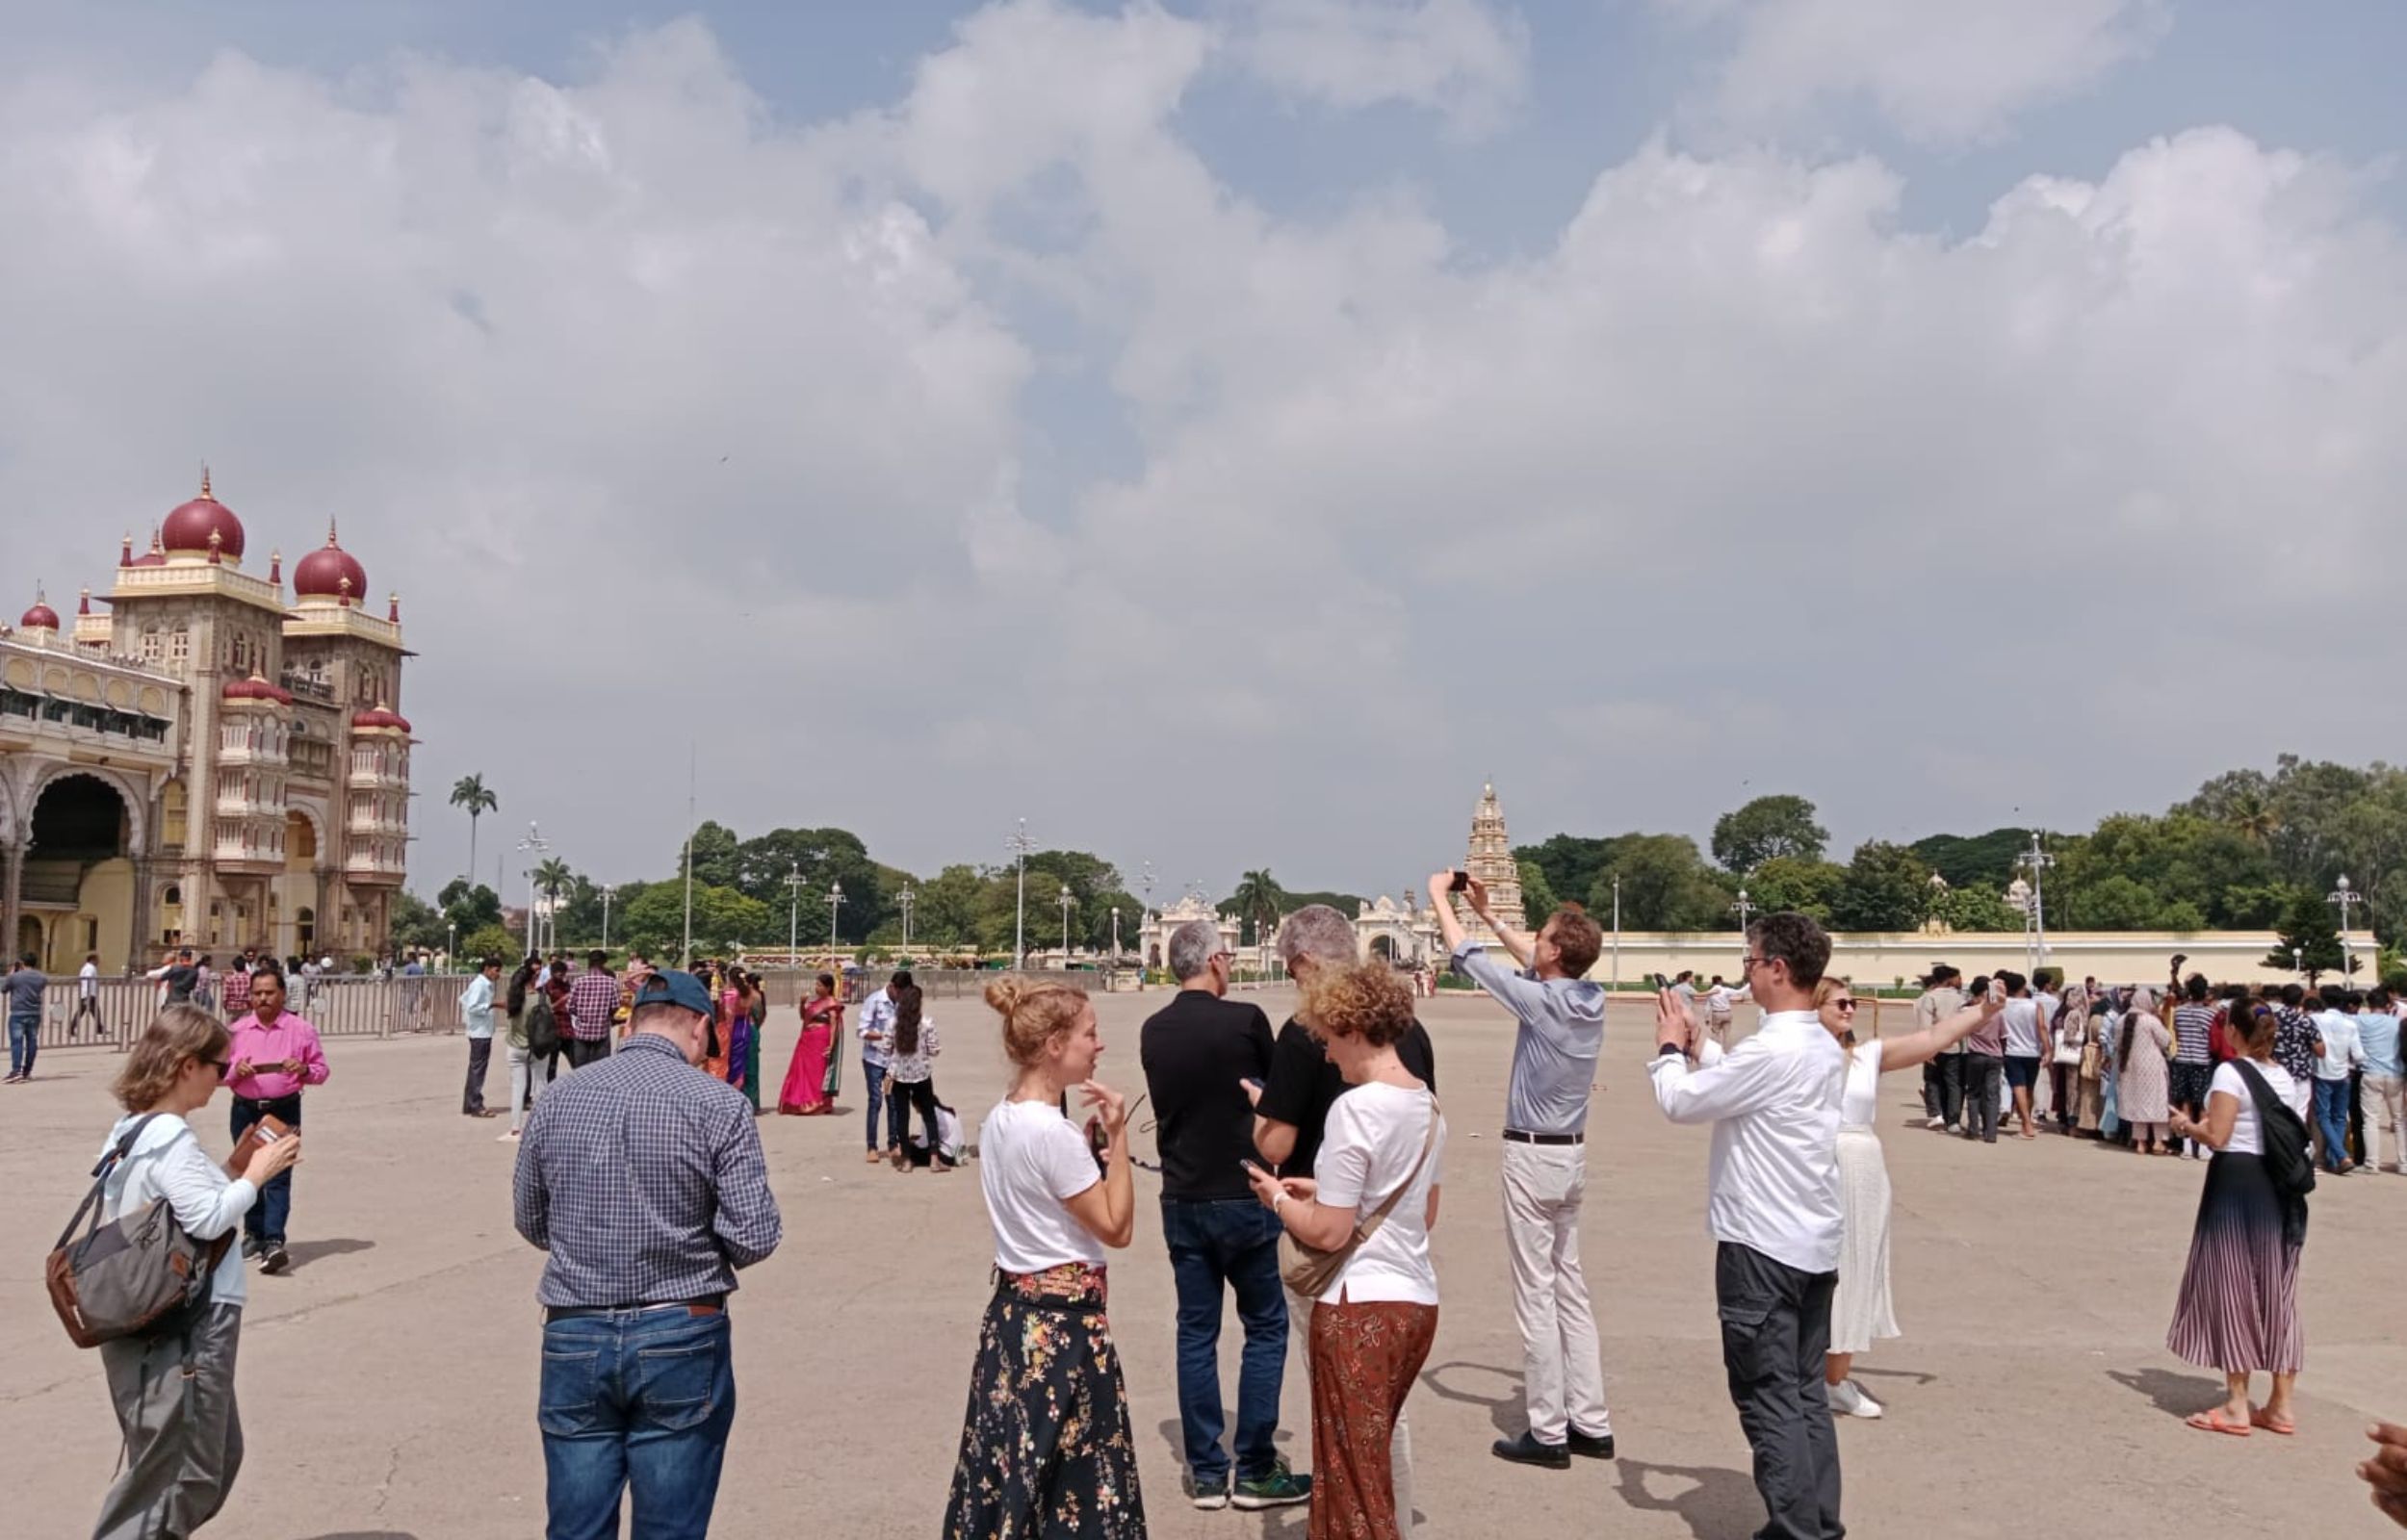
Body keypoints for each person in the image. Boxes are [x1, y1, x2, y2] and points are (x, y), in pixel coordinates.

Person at [513, 968, 783, 1539]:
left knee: (576, 1527)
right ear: (701, 1027)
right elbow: (754, 1234)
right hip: (681, 1327)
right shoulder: (718, 1104)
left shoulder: (560, 1096)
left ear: (631, 1024)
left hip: (576, 1327)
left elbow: (531, 1219)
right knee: (670, 1527)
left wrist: (592, 1243)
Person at [1647, 912, 1847, 1540]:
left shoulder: (1773, 1048)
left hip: (1761, 1244)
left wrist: (1668, 1050)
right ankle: (1818, 1522)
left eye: (1752, 962)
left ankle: (1796, 1530)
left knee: (1766, 1394)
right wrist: (1699, 1045)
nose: (1747, 972)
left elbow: (1681, 1102)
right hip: (1811, 1241)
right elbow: (1747, 1081)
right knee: (1804, 1393)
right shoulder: (1817, 1042)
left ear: (1778, 968)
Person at [89, 1005, 303, 1538]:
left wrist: (235, 1167)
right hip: (186, 1318)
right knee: (182, 1470)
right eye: (218, 1066)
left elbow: (179, 1207)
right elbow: (207, 1220)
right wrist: (257, 1175)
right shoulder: (169, 1136)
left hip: (155, 1311)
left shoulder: (133, 1130)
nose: (224, 1078)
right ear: (187, 1066)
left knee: (209, 1456)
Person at [1247, 962, 1443, 1540]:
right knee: (1364, 1464)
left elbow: (1329, 1234)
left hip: (1360, 1306)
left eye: (1330, 1039)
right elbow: (1420, 1210)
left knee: (1353, 1483)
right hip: (1415, 1300)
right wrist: (1322, 1192)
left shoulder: (1354, 1108)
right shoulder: (1428, 1106)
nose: (1329, 1056)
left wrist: (1277, 1200)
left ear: (1354, 1030)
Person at [944, 977, 1144, 1539]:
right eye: (1089, 1033)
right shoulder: (1052, 1134)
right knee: (1075, 1486)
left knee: (1010, 1469)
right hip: (1062, 1330)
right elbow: (1117, 1227)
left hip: (1014, 1317)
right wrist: (1118, 1139)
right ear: (1055, 1044)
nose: (1098, 1044)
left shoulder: (1001, 1117)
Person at [1427, 871, 1614, 1470]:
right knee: (1570, 1288)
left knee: (1536, 1293)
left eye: (1543, 936)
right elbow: (1530, 962)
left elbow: (1467, 958)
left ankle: (1548, 1429)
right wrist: (1490, 914)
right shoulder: (1589, 999)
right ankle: (1591, 1420)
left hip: (1532, 1156)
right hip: (1570, 1154)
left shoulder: (1541, 1001)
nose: (1535, 942)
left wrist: (1440, 898)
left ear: (1554, 953)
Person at [1140, 919, 1307, 1511]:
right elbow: (1278, 1095)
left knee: (1196, 1331)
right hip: (1246, 1190)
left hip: (1183, 1195)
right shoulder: (1246, 1020)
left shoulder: (1154, 1029)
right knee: (1264, 1326)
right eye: (1228, 958)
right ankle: (1256, 1464)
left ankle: (1208, 1470)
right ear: (1214, 961)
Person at [1806, 975, 2003, 1419]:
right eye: (1839, 1003)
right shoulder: (1789, 1056)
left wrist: (1982, 1012)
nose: (1849, 1009)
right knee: (1808, 1271)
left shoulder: (1866, 1056)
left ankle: (1833, 1379)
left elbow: (1932, 1039)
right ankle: (1803, 1374)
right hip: (1813, 1165)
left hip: (1860, 1165)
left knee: (1855, 1270)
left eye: (1852, 1003)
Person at [2164, 1004, 2309, 1436]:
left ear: (2233, 1031)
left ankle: (2236, 1404)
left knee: (2232, 1285)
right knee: (2277, 1290)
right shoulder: (2282, 1075)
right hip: (2277, 1185)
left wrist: (2186, 1126)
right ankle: (2281, 1405)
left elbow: (2218, 1135)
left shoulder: (2230, 1073)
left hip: (2237, 1182)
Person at [223, 964, 330, 1274]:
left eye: (269, 992)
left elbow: (321, 1071)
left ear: (282, 994)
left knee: (279, 1175)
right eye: (257, 993)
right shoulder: (236, 1032)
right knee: (248, 1173)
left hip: (283, 1110)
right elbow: (218, 1075)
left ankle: (274, 1241)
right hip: (246, 1110)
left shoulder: (302, 1030)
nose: (263, 999)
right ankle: (253, 1234)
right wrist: (235, 1072)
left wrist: (303, 1070)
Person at [885, 984, 949, 1170]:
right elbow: (934, 1049)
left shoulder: (893, 1023)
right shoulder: (927, 1022)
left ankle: (906, 1160)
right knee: (929, 1115)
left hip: (899, 1075)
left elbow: (885, 1048)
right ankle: (934, 1159)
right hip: (922, 1073)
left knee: (902, 1117)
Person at [2310, 986, 2364, 1173]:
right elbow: (2359, 1055)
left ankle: (2341, 1156)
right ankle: (2335, 1160)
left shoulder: (2315, 1019)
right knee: (2340, 1117)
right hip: (2343, 1074)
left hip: (2322, 1072)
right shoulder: (2350, 1024)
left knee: (2323, 1116)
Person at [501, 958, 554, 1142]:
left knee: (517, 1088)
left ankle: (515, 1129)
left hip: (515, 1046)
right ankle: (541, 1128)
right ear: (533, 979)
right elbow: (548, 1021)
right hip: (538, 1046)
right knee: (540, 1085)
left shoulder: (513, 999)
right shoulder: (541, 999)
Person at [2117, 985, 2174, 1155]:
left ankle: (2140, 1142)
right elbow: (2166, 1040)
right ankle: (2158, 1142)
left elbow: (2117, 1044)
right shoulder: (2150, 1020)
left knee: (2138, 1103)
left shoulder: (2121, 1021)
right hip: (2152, 1067)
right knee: (2158, 1103)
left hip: (2130, 1067)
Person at [858, 970, 907, 1164]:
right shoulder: (875, 1001)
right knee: (875, 1101)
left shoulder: (902, 1004)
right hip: (874, 1060)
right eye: (900, 992)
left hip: (893, 1061)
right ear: (892, 987)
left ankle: (893, 1144)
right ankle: (872, 1146)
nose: (901, 997)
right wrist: (885, 1035)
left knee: (893, 1101)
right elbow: (862, 1031)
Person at [2169, 975, 2221, 1158]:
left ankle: (2187, 1145)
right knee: (2203, 1104)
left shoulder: (2179, 1012)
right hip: (2202, 1061)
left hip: (2182, 1060)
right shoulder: (2211, 1014)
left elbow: (2177, 1033)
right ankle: (2203, 1146)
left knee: (2186, 1102)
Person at [1911, 965, 1966, 1131]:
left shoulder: (1930, 997)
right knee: (1954, 1083)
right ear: (1949, 979)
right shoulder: (1960, 998)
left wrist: (1924, 1047)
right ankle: (1953, 1120)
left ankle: (1937, 1114)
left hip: (1934, 1044)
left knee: (1933, 1081)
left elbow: (1925, 1025)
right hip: (1954, 1045)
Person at [779, 973, 841, 1116]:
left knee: (817, 1070)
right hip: (807, 1040)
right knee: (803, 1071)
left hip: (821, 1040)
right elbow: (803, 1017)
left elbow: (834, 1025)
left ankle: (819, 1102)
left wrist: (831, 1045)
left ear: (828, 987)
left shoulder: (831, 1003)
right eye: (816, 985)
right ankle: (803, 1101)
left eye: (819, 985)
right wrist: (802, 1003)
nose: (816, 988)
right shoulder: (814, 1003)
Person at [2357, 988, 2402, 1173]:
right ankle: (2404, 1163)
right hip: (2395, 1073)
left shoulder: (2360, 1021)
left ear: (2369, 1004)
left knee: (2370, 1119)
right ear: (2388, 1005)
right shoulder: (2397, 1023)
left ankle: (2372, 1163)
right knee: (2399, 1120)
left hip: (2371, 1072)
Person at [1997, 971, 2046, 1140]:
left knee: (2018, 1087)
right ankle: (2027, 1122)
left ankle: (2027, 1124)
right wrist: (2048, 1048)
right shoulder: (2035, 1005)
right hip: (2032, 1051)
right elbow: (2042, 1027)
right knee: (2029, 1088)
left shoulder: (2003, 1005)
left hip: (2012, 1051)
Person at [1958, 973, 2006, 1143]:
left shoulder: (1971, 1013)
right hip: (1995, 1056)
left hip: (1975, 1055)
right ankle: (1991, 1132)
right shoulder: (1997, 1014)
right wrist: (2002, 1055)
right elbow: (2004, 1037)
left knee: (1973, 1093)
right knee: (1992, 1095)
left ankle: (1973, 1129)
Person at [459, 956, 502, 1117]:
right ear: (487, 969)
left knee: (475, 1068)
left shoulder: (484, 984)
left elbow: (464, 998)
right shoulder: (480, 985)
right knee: (478, 1069)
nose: (498, 974)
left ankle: (469, 1103)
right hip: (480, 1032)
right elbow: (472, 1007)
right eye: (496, 971)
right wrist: (492, 1004)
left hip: (482, 1030)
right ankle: (476, 1104)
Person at [562, 950, 619, 1069]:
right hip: (602, 1031)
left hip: (581, 1032)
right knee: (600, 1070)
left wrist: (582, 1015)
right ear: (604, 963)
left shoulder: (579, 982)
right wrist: (604, 1015)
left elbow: (570, 1007)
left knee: (580, 1071)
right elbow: (615, 1006)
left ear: (589, 962)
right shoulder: (611, 982)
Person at [2048, 982, 2090, 1136]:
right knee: (2073, 1090)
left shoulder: (2074, 1012)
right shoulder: (2074, 1014)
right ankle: (2072, 1124)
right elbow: (2069, 1036)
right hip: (2073, 1058)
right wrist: (2083, 1039)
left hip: (2073, 1058)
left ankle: (2070, 1121)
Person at [5, 952, 47, 1083]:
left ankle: (16, 1071)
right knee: (32, 1042)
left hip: (18, 1012)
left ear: (22, 963)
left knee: (17, 1042)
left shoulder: (15, 977)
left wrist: (11, 973)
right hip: (34, 1012)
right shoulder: (42, 977)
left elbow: (3, 989)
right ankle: (27, 1071)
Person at [73, 951, 103, 1038]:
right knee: (84, 1012)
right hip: (89, 994)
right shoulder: (90, 968)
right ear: (92, 960)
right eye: (97, 960)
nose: (98, 962)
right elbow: (87, 980)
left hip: (88, 993)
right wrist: (88, 995)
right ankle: (71, 1028)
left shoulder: (87, 967)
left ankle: (99, 1028)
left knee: (94, 1011)